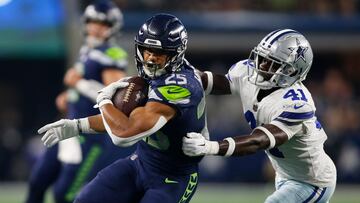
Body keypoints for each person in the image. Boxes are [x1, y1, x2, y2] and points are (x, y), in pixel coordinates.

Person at [37, 13, 207, 203]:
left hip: (174, 177)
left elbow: (124, 134)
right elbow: (122, 119)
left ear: (176, 53)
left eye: (159, 53)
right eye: (146, 50)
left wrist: (103, 100)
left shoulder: (180, 87)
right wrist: (77, 126)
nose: (150, 58)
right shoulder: (151, 78)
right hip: (141, 163)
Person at [182, 29, 337, 203]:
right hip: (286, 174)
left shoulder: (297, 104)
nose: (261, 65)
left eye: (272, 63)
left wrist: (209, 147)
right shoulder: (249, 72)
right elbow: (220, 83)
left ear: (292, 71)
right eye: (262, 58)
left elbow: (258, 141)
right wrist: (187, 76)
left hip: (311, 181)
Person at [25, 2, 129, 203]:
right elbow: (88, 88)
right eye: (92, 22)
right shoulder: (87, 50)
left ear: (112, 26)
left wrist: (78, 84)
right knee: (38, 182)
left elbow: (117, 99)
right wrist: (71, 96)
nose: (96, 27)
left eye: (102, 23)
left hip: (89, 136)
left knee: (64, 194)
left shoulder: (112, 54)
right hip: (67, 129)